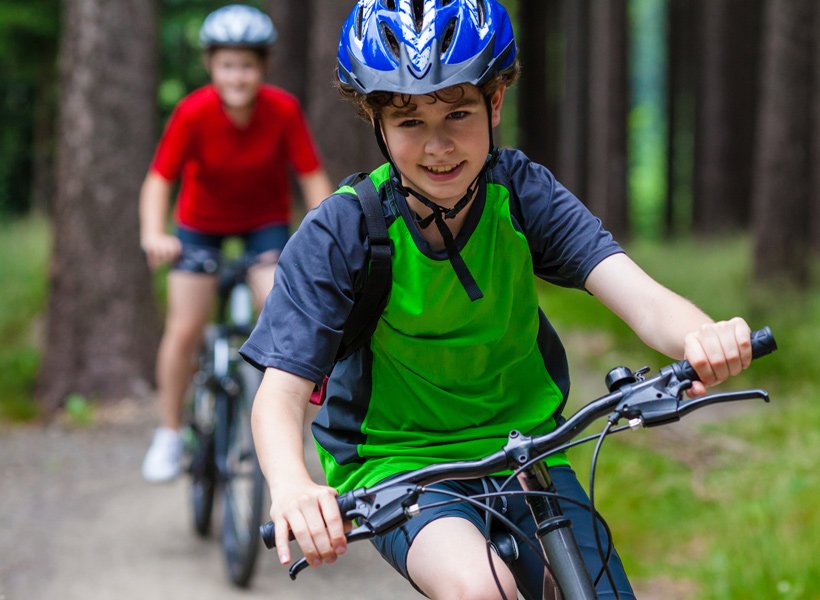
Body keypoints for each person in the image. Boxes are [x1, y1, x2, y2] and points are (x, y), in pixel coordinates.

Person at [240, 1, 753, 598]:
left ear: (496, 102)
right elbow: (279, 397)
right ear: (375, 122)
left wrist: (702, 336)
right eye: (409, 123)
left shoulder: (522, 193)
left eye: (458, 113)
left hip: (528, 448)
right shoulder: (342, 231)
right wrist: (292, 484)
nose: (437, 147)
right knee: (485, 590)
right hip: (398, 465)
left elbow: (639, 296)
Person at [140, 4, 333, 483]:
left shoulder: (282, 110)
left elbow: (312, 178)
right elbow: (159, 180)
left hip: (263, 225)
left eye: (247, 65)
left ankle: (284, 425)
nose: (237, 76)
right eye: (227, 65)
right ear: (211, 66)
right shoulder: (192, 112)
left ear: (262, 67)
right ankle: (168, 433)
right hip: (199, 226)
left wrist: (327, 233)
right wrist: (154, 234)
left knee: (280, 310)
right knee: (185, 327)